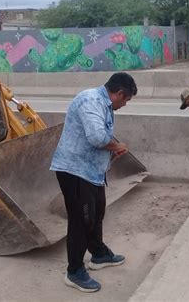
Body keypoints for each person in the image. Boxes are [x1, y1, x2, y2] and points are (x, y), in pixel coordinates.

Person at [50, 72, 137, 292]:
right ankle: (74, 271)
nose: (125, 104)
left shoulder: (104, 103)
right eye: (126, 100)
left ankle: (98, 254)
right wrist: (117, 146)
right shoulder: (90, 100)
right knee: (81, 220)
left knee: (97, 212)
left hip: (92, 170)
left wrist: (112, 149)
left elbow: (102, 135)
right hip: (75, 171)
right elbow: (97, 137)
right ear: (119, 93)